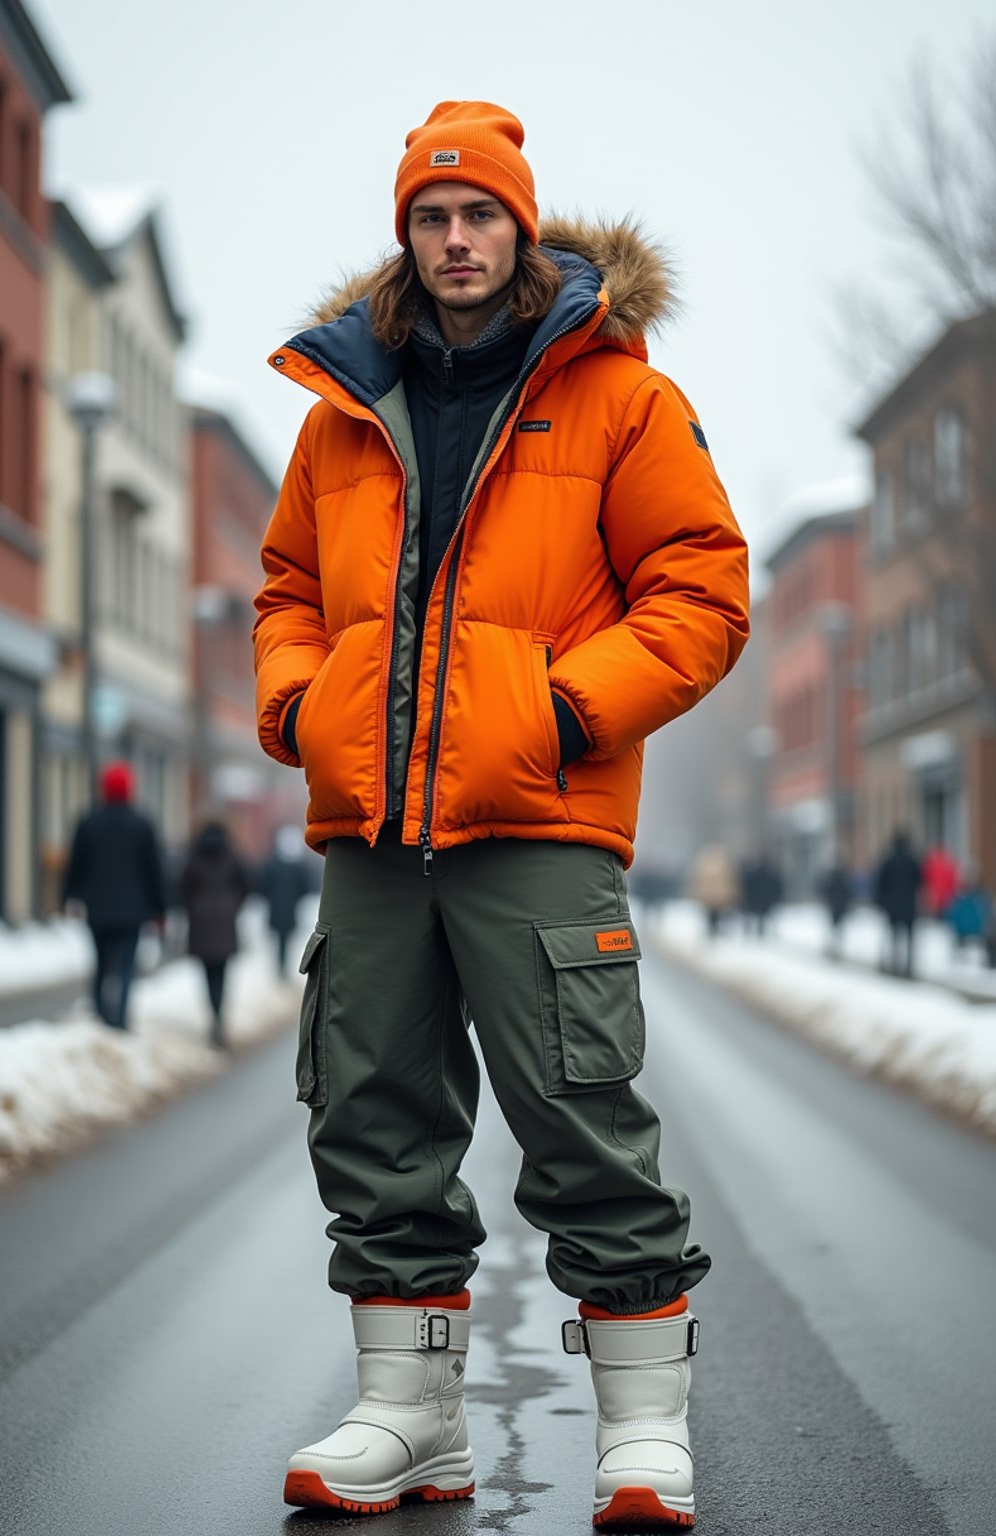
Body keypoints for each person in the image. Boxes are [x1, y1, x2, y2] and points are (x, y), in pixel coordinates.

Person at [254, 100, 749, 1528]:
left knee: (583, 1123)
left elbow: (702, 594)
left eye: (479, 215)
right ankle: (411, 1421)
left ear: (519, 229)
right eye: (430, 216)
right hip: (372, 837)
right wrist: (301, 709)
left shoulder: (620, 395)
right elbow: (288, 591)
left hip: (537, 821)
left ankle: (643, 1430)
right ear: (403, 235)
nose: (455, 239)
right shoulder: (343, 409)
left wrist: (564, 711)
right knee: (373, 1120)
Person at [62, 760, 165, 1030]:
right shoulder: (143, 824)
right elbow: (154, 870)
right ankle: (119, 1017)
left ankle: (99, 1013)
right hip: (133, 910)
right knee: (126, 966)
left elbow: (76, 865)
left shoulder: (88, 822)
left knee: (101, 962)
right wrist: (161, 909)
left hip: (97, 908)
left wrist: (69, 897)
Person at [179, 820, 249, 1047]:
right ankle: (219, 1018)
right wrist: (233, 905)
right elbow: (246, 884)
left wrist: (195, 907)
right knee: (222, 973)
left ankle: (213, 1016)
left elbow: (183, 888)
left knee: (208, 974)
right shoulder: (231, 856)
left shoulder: (194, 857)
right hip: (225, 921)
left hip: (201, 922)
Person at [260, 824, 316, 976]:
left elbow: (262, 885)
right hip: (288, 910)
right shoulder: (297, 867)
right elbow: (306, 887)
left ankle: (281, 966)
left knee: (282, 940)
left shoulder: (272, 864)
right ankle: (282, 966)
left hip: (278, 909)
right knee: (284, 940)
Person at [873, 829, 922, 978]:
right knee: (909, 938)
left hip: (892, 906)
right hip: (909, 906)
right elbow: (919, 881)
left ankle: (894, 965)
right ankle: (908, 967)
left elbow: (880, 883)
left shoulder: (888, 860)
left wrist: (881, 902)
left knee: (894, 937)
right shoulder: (912, 860)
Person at [688, 843, 741, 938]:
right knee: (718, 914)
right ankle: (715, 930)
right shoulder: (724, 864)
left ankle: (712, 930)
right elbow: (731, 880)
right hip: (720, 895)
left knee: (710, 914)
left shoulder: (703, 864)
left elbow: (696, 880)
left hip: (708, 895)